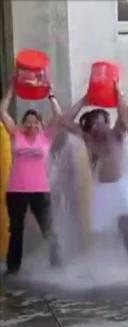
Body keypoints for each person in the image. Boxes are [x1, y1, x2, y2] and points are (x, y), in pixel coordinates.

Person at [60, 82, 128, 265]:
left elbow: (124, 118)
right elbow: (63, 122)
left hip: (119, 185)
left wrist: (123, 96)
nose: (98, 127)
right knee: (97, 229)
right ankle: (98, 264)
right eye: (94, 124)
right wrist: (83, 101)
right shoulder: (88, 139)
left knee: (125, 224)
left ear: (107, 122)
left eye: (101, 122)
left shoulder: (116, 134)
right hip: (101, 188)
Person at [1, 81, 62, 274]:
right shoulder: (16, 134)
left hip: (40, 190)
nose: (31, 124)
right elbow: (2, 112)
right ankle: (13, 269)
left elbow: (59, 115)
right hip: (16, 190)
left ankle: (58, 265)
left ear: (40, 124)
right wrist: (12, 88)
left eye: (35, 121)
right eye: (28, 120)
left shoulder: (46, 137)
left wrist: (50, 94)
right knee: (16, 231)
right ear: (22, 123)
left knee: (48, 229)